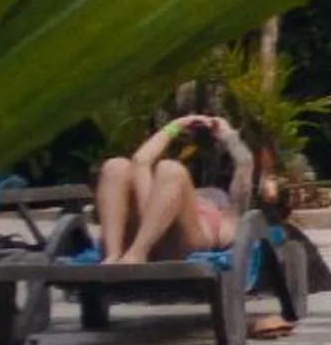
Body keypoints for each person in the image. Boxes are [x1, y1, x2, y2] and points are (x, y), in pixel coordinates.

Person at [93, 113, 255, 266]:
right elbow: (141, 160)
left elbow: (245, 163)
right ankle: (112, 255)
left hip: (181, 242)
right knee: (115, 167)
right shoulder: (163, 194)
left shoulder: (229, 215)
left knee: (169, 170)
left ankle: (136, 253)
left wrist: (230, 136)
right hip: (149, 228)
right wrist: (176, 125)